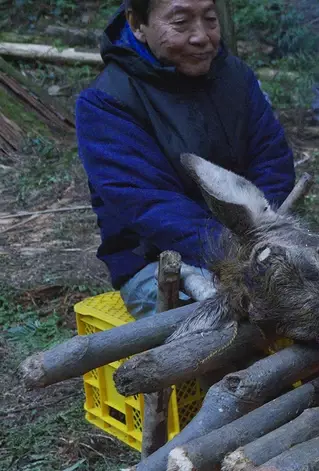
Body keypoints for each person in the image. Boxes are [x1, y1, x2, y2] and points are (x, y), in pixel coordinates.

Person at [75, 0, 296, 319]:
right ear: (137, 24)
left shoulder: (235, 77)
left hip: (259, 242)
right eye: (180, 23)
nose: (201, 36)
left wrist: (267, 232)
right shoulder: (106, 104)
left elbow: (272, 160)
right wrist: (244, 249)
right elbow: (150, 206)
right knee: (231, 326)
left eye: (210, 19)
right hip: (159, 261)